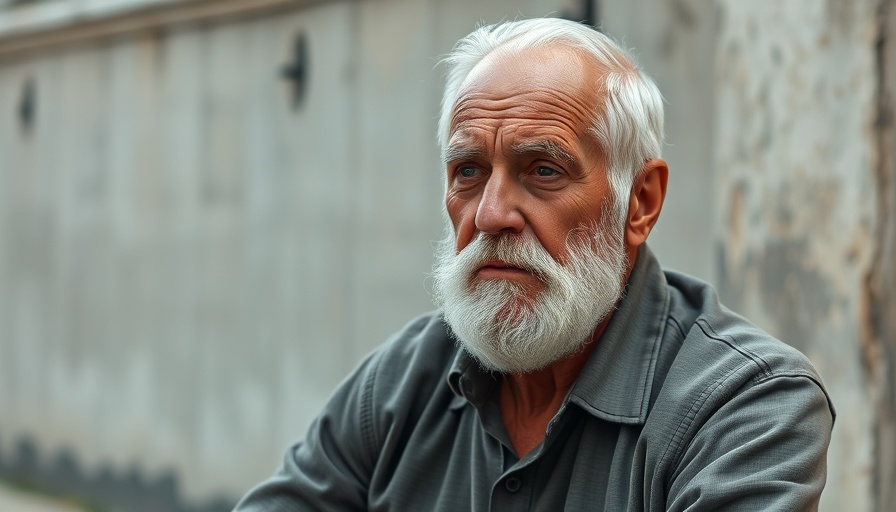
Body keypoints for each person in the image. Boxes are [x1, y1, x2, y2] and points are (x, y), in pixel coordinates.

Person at [235, 18, 834, 511]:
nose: (491, 214)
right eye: (468, 171)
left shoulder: (746, 405)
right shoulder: (403, 384)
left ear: (640, 203)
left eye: (543, 170)